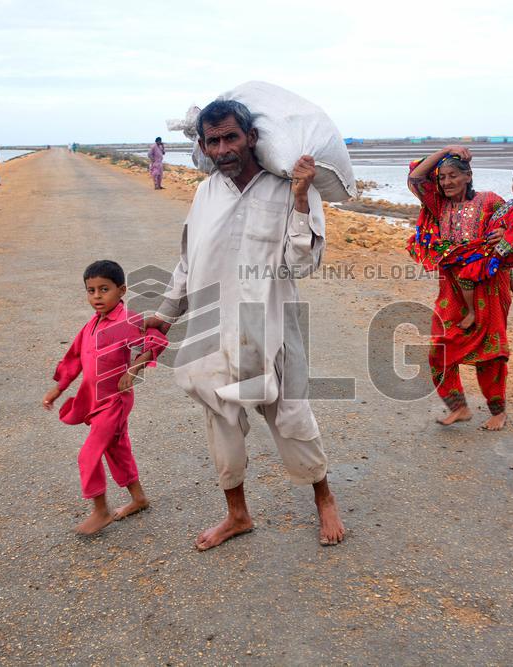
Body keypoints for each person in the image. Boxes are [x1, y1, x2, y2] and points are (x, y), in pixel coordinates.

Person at [144, 99, 346, 550]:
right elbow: (188, 261)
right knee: (221, 421)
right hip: (212, 326)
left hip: (273, 323)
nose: (222, 150)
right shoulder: (206, 194)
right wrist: (165, 313)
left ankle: (324, 497)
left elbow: (302, 263)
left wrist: (300, 198)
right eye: (212, 141)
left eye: (230, 137)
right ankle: (237, 514)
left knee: (292, 415)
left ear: (251, 137)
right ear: (202, 145)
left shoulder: (289, 189)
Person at [43, 260, 168, 535]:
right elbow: (75, 356)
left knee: (88, 454)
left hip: (115, 401)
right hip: (95, 400)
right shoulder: (91, 324)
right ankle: (139, 499)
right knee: (117, 449)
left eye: (104, 289)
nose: (97, 297)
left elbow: (157, 339)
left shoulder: (127, 321)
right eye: (91, 291)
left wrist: (134, 369)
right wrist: (59, 388)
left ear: (121, 290)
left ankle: (100, 511)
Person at [407, 146, 513, 431]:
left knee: (490, 352)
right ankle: (458, 407)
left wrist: (504, 233)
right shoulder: (438, 205)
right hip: (451, 288)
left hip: (488, 286)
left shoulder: (490, 201)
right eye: (442, 177)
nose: (446, 182)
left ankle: (498, 411)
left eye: (453, 176)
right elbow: (416, 178)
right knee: (439, 348)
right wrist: (445, 150)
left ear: (468, 176)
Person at [440, 161, 513, 329]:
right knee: (508, 273)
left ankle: (471, 313)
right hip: (498, 246)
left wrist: (498, 252)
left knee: (465, 276)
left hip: (497, 249)